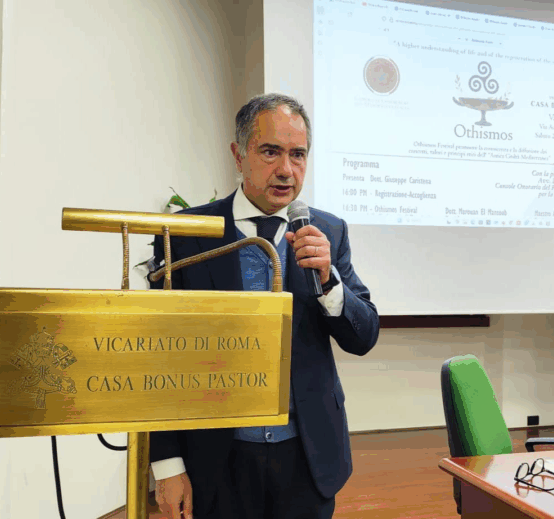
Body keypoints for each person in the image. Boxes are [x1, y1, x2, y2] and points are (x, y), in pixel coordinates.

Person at [148, 93, 380, 519]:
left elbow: (363, 336)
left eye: (298, 154)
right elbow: (160, 358)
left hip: (308, 457)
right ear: (239, 155)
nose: (286, 170)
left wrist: (329, 281)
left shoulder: (328, 231)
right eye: (271, 152)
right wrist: (167, 463)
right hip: (217, 459)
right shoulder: (187, 234)